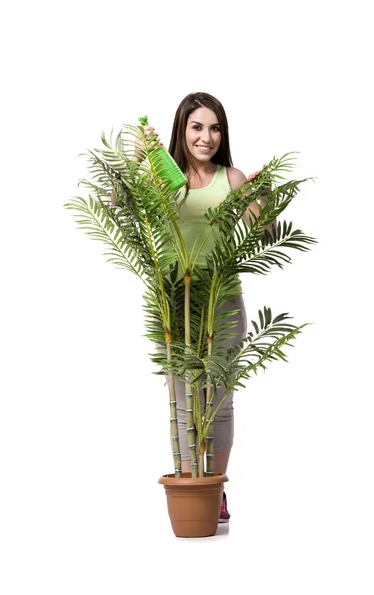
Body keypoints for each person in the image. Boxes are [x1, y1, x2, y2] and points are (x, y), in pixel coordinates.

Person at [139, 92, 272, 522]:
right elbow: (122, 209)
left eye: (215, 128)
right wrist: (141, 160)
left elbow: (265, 235)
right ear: (181, 129)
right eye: (197, 126)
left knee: (219, 401)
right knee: (181, 399)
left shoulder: (231, 179)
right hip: (175, 302)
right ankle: (188, 484)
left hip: (223, 303)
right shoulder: (162, 177)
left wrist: (265, 198)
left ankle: (215, 490)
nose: (207, 136)